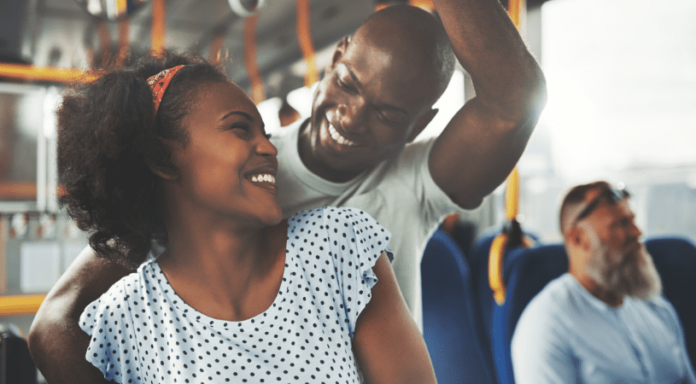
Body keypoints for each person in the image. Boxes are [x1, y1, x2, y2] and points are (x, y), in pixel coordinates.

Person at [30, 1, 547, 381]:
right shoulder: (217, 180)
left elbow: (513, 99)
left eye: (388, 113)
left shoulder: (381, 209)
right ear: (337, 55)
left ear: (417, 126)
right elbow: (57, 323)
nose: (351, 116)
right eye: (348, 83)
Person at [48, 52, 437, 383]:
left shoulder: (338, 246)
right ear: (163, 159)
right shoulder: (124, 318)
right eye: (240, 129)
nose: (269, 148)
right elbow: (50, 329)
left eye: (265, 133)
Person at [511, 181, 696, 383]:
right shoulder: (546, 325)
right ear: (578, 238)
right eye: (622, 224)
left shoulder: (657, 309)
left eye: (633, 221)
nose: (637, 233)